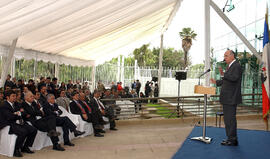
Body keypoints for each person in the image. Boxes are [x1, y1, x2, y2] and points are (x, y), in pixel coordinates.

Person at [210, 50, 242, 146]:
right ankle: (230, 138)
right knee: (227, 119)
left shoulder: (236, 65)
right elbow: (227, 81)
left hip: (231, 98)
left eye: (226, 56)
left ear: (232, 56)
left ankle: (232, 140)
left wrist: (224, 74)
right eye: (224, 56)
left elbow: (234, 78)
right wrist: (217, 82)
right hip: (227, 98)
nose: (224, 58)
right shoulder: (231, 66)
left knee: (230, 119)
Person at [0, 90, 37, 157]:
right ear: (7, 97)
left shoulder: (16, 103)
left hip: (18, 122)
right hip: (8, 124)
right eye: (13, 96)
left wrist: (17, 113)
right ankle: (16, 150)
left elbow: (24, 113)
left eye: (15, 96)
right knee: (23, 131)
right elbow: (10, 117)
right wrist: (19, 113)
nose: (15, 97)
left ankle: (25, 147)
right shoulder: (4, 105)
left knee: (33, 130)